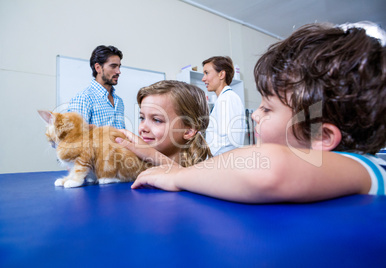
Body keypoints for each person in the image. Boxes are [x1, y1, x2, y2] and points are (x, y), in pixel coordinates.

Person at [129, 21, 386, 203]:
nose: (255, 114)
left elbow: (271, 168)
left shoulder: (367, 166)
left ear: (321, 135)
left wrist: (180, 177)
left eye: (267, 108)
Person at [116, 80, 212, 167]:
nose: (143, 128)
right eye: (142, 118)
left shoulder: (203, 175)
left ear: (188, 131)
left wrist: (152, 155)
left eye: (157, 120)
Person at [67, 45, 125, 129]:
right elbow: (74, 138)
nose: (118, 71)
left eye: (119, 66)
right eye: (113, 66)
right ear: (98, 68)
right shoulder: (84, 98)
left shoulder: (119, 102)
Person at [202, 56, 246, 156]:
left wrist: (211, 161)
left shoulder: (228, 98)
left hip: (222, 162)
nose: (203, 78)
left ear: (221, 74)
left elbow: (231, 141)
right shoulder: (223, 99)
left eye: (207, 73)